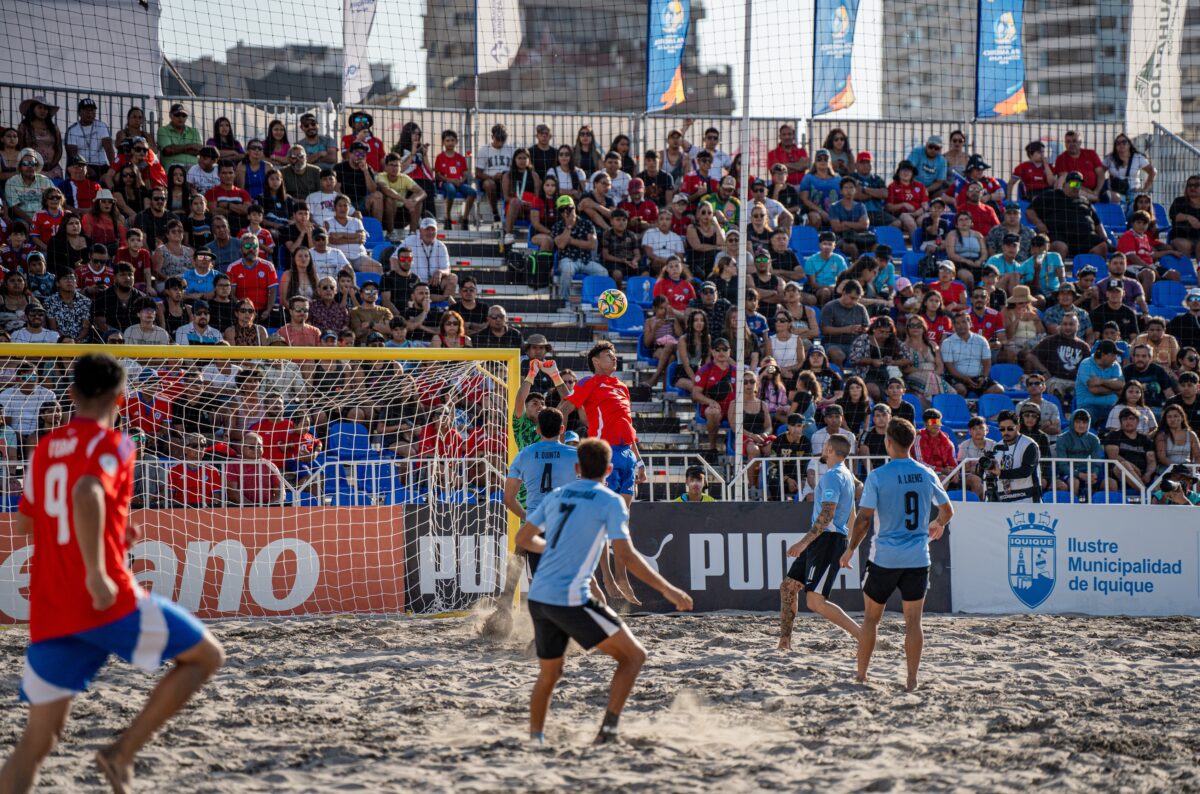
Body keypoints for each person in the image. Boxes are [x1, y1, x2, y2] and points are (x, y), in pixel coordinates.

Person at [0, 353, 224, 793]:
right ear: (121, 397)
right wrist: (98, 571)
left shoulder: (45, 447)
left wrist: (112, 526)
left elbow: (26, 524)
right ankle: (120, 752)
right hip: (105, 599)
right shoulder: (116, 444)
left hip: (51, 602)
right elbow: (86, 491)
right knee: (206, 657)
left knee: (36, 742)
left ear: (70, 395)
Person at [515, 438, 692, 746]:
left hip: (539, 596)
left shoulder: (556, 496)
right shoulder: (609, 500)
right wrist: (668, 589)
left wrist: (553, 547)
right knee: (634, 657)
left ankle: (536, 738)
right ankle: (607, 732)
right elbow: (627, 556)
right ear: (609, 470)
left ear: (576, 468)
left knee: (550, 674)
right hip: (568, 598)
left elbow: (524, 538)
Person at [840, 418, 952, 691]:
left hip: (885, 558)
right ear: (912, 442)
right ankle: (912, 679)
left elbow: (864, 519)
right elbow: (948, 511)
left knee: (870, 619)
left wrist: (850, 549)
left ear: (889, 442)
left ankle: (862, 676)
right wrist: (937, 525)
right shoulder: (927, 473)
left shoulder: (878, 476)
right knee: (914, 622)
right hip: (917, 558)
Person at [558, 342, 647, 603]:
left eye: (615, 354)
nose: (614, 358)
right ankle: (607, 577)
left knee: (622, 521)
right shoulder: (589, 382)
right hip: (604, 453)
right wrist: (559, 443)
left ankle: (621, 577)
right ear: (596, 361)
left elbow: (627, 427)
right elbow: (564, 408)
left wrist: (640, 463)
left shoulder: (621, 386)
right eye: (609, 355)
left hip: (627, 456)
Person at [779, 435, 862, 650]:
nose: (823, 449)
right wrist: (850, 547)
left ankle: (863, 636)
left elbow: (827, 516)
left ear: (831, 449)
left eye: (825, 446)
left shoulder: (832, 477)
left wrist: (802, 543)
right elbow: (852, 514)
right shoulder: (848, 475)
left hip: (827, 539)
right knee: (788, 587)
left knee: (815, 601)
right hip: (828, 539)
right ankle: (784, 643)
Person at [984, 411, 1042, 502]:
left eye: (1010, 428)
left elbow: (1026, 471)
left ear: (1018, 427)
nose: (1006, 432)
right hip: (1003, 498)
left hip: (1027, 497)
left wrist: (1001, 473)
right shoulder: (996, 447)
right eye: (1002, 429)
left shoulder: (1029, 445)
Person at [1103, 407, 1157, 491]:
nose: (1128, 421)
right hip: (1118, 475)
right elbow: (1113, 457)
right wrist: (1134, 468)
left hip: (1141, 475)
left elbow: (1151, 460)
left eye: (1131, 419)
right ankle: (1145, 492)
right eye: (1125, 419)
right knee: (1123, 464)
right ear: (1120, 422)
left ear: (1137, 421)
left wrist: (1148, 474)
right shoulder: (1113, 436)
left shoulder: (1145, 440)